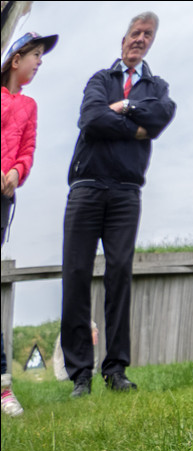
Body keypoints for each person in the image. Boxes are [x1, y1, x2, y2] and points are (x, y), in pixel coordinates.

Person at [60, 11, 175, 397]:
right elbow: (90, 119)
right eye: (135, 33)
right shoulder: (101, 79)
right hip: (87, 186)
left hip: (126, 191)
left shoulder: (157, 85)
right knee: (76, 273)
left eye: (147, 35)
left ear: (151, 42)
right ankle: (80, 374)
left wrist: (120, 108)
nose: (140, 39)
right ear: (123, 39)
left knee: (119, 275)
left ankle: (116, 369)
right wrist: (134, 121)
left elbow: (161, 117)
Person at [2, 30, 56, 415]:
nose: (39, 62)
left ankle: (3, 387)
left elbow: (28, 150)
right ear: (14, 57)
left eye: (41, 56)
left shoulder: (29, 106)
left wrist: (17, 172)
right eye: (35, 54)